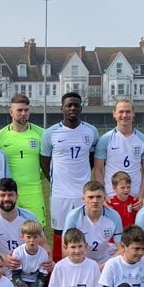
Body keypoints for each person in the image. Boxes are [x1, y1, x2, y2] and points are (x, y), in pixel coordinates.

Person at [41, 92, 99, 261]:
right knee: (60, 232)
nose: (72, 108)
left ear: (81, 108)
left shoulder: (91, 131)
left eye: (76, 105)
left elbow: (91, 159)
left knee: (84, 230)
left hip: (83, 193)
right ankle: (59, 270)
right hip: (60, 193)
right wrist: (56, 179)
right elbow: (45, 162)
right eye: (69, 105)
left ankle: (84, 268)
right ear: (62, 108)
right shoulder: (50, 133)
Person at [0, 94, 46, 225]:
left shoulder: (42, 134)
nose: (23, 113)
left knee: (37, 231)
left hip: (33, 191)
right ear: (11, 112)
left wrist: (36, 177)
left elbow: (48, 164)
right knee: (8, 230)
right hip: (8, 193)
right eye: (19, 110)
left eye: (26, 110)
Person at [94, 99, 144, 206]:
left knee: (135, 223)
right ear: (114, 114)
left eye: (128, 111)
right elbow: (98, 170)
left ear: (133, 113)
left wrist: (141, 195)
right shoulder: (105, 140)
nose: (124, 115)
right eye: (121, 112)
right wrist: (103, 194)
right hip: (111, 197)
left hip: (134, 197)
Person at [63, 181, 124, 268]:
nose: (95, 201)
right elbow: (66, 249)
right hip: (81, 260)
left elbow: (122, 248)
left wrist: (105, 266)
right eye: (90, 197)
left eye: (99, 197)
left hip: (106, 260)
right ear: (83, 199)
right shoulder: (73, 217)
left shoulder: (114, 216)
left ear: (105, 198)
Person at [0, 178, 42, 258]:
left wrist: (48, 259)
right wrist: (3, 262)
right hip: (0, 267)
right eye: (2, 195)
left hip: (28, 264)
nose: (6, 199)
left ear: (17, 196)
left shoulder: (29, 217)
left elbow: (43, 243)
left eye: (10, 195)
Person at [10, 220, 51, 287]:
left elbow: (42, 276)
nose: (32, 240)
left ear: (40, 237)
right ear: (22, 237)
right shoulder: (18, 252)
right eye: (28, 237)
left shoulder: (43, 254)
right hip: (20, 280)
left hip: (34, 280)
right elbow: (16, 276)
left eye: (35, 237)